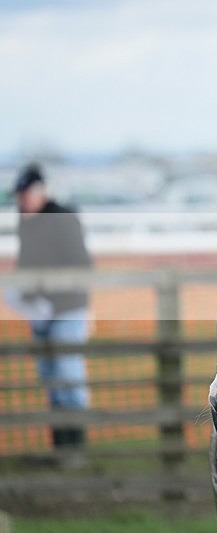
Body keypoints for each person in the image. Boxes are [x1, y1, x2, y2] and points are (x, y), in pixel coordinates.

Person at [6, 164, 93, 460]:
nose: (21, 202)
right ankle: (62, 447)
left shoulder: (62, 218)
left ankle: (75, 450)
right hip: (40, 311)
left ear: (39, 191)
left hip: (66, 309)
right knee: (51, 378)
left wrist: (45, 295)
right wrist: (23, 292)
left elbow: (79, 267)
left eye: (25, 195)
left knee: (68, 375)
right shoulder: (26, 222)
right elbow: (27, 263)